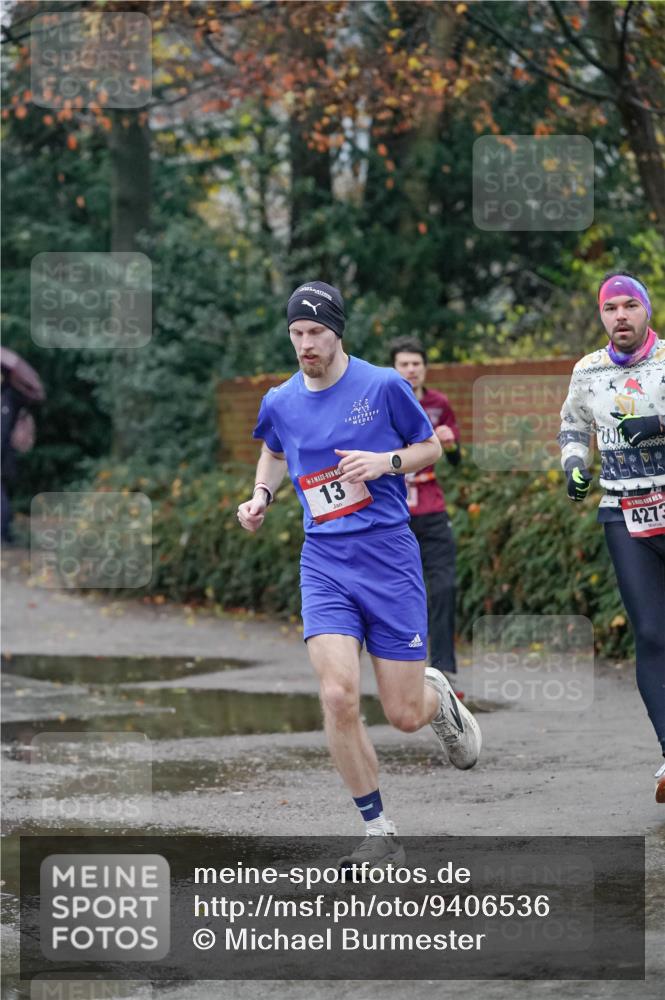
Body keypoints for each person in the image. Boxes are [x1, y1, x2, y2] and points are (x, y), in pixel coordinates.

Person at [238, 280, 481, 868]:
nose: (305, 345)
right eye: (296, 333)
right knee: (338, 694)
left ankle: (437, 697)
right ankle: (378, 830)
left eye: (315, 332)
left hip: (389, 557)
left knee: (402, 714)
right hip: (324, 562)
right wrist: (261, 495)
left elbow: (429, 447)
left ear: (337, 331)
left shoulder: (383, 385)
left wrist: (385, 462)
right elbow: (274, 446)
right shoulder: (281, 399)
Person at [559, 272, 665, 803]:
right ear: (601, 315)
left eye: (629, 306)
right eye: (610, 308)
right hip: (624, 511)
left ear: (646, 311)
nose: (620, 315)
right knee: (650, 635)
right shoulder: (588, 370)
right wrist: (575, 464)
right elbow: (573, 425)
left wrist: (658, 424)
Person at [390, 337, 461, 684]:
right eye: (403, 364)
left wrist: (451, 444)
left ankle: (444, 670)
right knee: (400, 593)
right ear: (394, 369)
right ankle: (404, 668)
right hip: (393, 514)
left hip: (431, 510)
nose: (410, 370)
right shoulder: (381, 404)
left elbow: (459, 462)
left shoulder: (439, 404)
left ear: (425, 368)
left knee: (444, 587)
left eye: (416, 363)